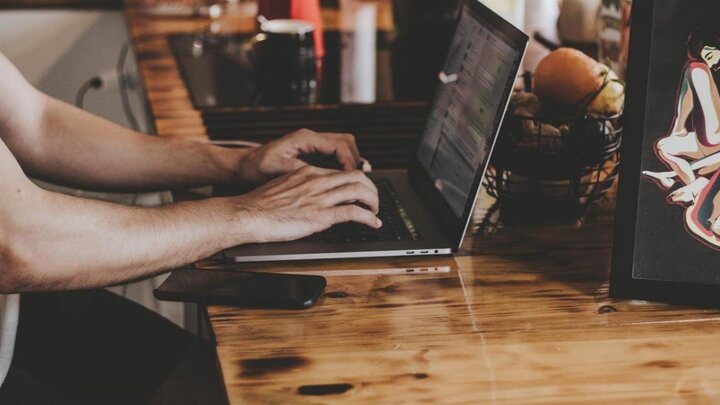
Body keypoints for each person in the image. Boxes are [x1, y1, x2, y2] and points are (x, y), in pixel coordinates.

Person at [0, 48, 380, 404]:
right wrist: (247, 213)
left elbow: (34, 122)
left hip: (22, 316)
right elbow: (18, 245)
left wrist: (237, 164)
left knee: (211, 383)